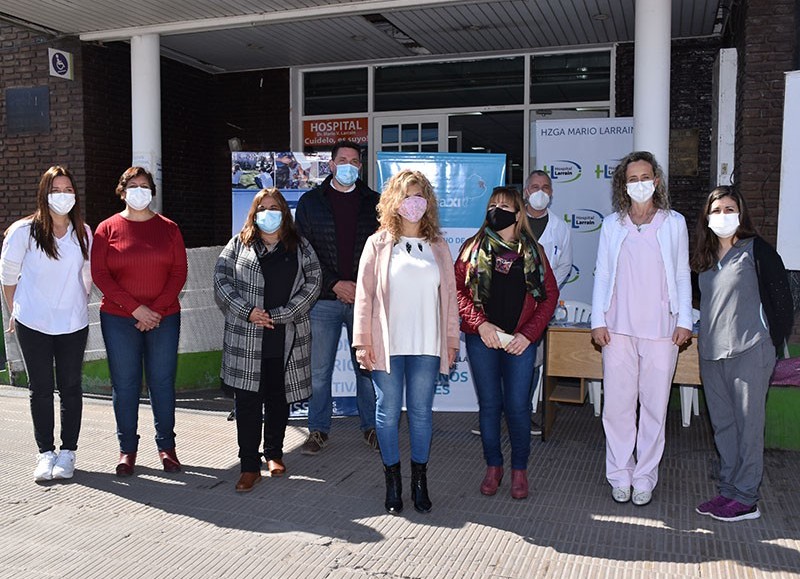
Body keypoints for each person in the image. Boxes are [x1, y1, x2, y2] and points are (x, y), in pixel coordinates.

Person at [353, 170, 459, 515]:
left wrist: (451, 339)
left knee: (421, 414)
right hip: (388, 343)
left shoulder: (439, 246)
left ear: (426, 202)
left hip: (427, 343)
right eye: (406, 196)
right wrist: (362, 342)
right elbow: (365, 297)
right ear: (394, 202)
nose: (413, 203)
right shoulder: (378, 243)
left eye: (419, 196)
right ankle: (393, 480)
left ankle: (419, 480)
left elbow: (451, 299)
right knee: (385, 415)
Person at [590, 151, 692, 507]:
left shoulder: (674, 223)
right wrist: (598, 320)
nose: (639, 184)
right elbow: (602, 273)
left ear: (657, 181)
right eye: (632, 179)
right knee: (617, 407)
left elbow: (681, 272)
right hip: (617, 330)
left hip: (662, 331)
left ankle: (645, 476)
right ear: (623, 185)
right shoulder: (611, 225)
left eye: (645, 176)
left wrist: (684, 320)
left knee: (654, 408)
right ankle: (620, 474)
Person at [691, 186, 793, 522]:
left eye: (729, 209)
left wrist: (771, 344)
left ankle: (747, 498)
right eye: (716, 210)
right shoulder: (704, 260)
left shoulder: (757, 250)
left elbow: (782, 302)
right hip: (711, 354)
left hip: (750, 351)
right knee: (723, 426)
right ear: (707, 217)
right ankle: (728, 491)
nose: (723, 216)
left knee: (749, 428)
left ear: (741, 213)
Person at [214, 188, 321, 492]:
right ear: (254, 212)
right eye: (263, 207)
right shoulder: (239, 244)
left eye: (275, 207)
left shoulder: (300, 247)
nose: (269, 212)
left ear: (284, 212)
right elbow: (221, 281)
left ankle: (274, 453)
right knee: (247, 403)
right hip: (247, 337)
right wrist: (247, 312)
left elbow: (314, 283)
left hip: (285, 336)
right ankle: (249, 465)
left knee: (278, 399)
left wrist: (285, 313)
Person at [455, 187, 558, 500]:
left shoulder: (534, 251)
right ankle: (494, 467)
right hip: (482, 339)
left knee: (517, 407)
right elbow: (457, 291)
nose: (497, 210)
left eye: (504, 205)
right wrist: (480, 324)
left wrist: (528, 335)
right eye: (492, 205)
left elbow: (549, 296)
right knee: (489, 406)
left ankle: (519, 470)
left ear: (517, 213)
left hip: (519, 343)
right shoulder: (471, 248)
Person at [91, 166, 188, 477]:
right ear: (122, 191)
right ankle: (127, 450)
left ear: (152, 192)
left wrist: (155, 310)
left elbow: (178, 273)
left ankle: (166, 447)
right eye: (133, 185)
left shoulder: (170, 229)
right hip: (119, 318)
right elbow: (100, 274)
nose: (139, 190)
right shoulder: (106, 229)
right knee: (126, 384)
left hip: (165, 317)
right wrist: (136, 309)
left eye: (144, 185)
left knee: (162, 382)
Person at [1, 166, 92, 482]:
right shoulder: (23, 232)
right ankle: (45, 453)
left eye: (69, 190)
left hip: (73, 323)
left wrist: (77, 301)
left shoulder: (83, 232)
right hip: (33, 322)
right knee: (40, 389)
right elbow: (8, 277)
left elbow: (87, 277)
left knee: (70, 388)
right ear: (43, 193)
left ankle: (68, 453)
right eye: (56, 190)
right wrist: (16, 310)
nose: (63, 196)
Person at [295, 140, 380, 455]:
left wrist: (359, 286)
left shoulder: (375, 203)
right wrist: (334, 284)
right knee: (319, 370)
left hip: (364, 299)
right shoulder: (310, 202)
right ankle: (318, 430)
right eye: (342, 159)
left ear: (360, 167)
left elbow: (382, 252)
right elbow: (304, 252)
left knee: (367, 370)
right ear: (330, 165)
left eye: (354, 161)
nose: (348, 165)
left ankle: (371, 427)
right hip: (323, 301)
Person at [523, 169, 573, 436]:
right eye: (534, 186)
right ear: (525, 191)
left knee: (532, 362)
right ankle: (496, 416)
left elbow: (565, 263)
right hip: (512, 306)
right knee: (504, 362)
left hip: (541, 307)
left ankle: (524, 414)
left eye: (545, 187)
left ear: (551, 193)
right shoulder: (514, 222)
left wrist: (546, 287)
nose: (539, 192)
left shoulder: (560, 228)